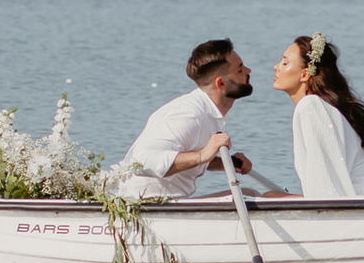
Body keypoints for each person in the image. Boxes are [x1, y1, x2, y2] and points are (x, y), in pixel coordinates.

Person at [115, 38, 290, 195]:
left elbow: (187, 156)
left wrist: (222, 162)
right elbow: (141, 162)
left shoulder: (210, 113)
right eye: (240, 69)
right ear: (220, 83)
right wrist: (203, 155)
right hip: (145, 208)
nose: (248, 70)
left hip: (172, 204)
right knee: (250, 198)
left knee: (250, 194)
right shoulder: (189, 114)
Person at [273, 31, 364, 198]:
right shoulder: (325, 107)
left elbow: (325, 184)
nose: (276, 66)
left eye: (284, 63)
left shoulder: (310, 106)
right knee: (264, 195)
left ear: (305, 74)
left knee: (268, 196)